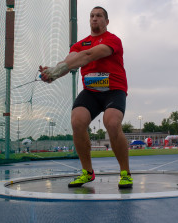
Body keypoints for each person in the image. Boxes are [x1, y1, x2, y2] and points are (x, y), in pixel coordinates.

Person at [39, 6, 133, 189]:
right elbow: (69, 62)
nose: (94, 19)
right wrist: (52, 74)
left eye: (99, 16)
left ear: (107, 21)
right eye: (91, 16)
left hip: (113, 89)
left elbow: (88, 56)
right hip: (91, 92)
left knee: (112, 123)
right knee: (77, 121)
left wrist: (58, 70)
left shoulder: (112, 40)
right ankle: (87, 173)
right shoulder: (80, 44)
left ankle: (125, 173)